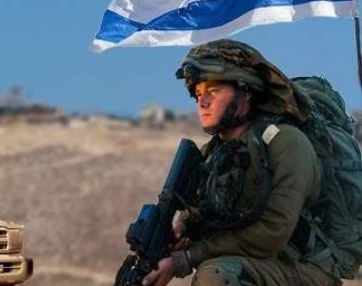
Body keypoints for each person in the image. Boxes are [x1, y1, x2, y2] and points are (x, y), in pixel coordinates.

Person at [141, 39, 339, 286]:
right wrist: (183, 230)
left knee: (215, 277)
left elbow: (272, 233)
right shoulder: (212, 154)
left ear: (246, 91)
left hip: (302, 266)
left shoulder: (286, 143)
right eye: (198, 94)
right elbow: (203, 213)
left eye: (213, 91)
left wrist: (187, 258)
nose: (202, 102)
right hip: (251, 263)